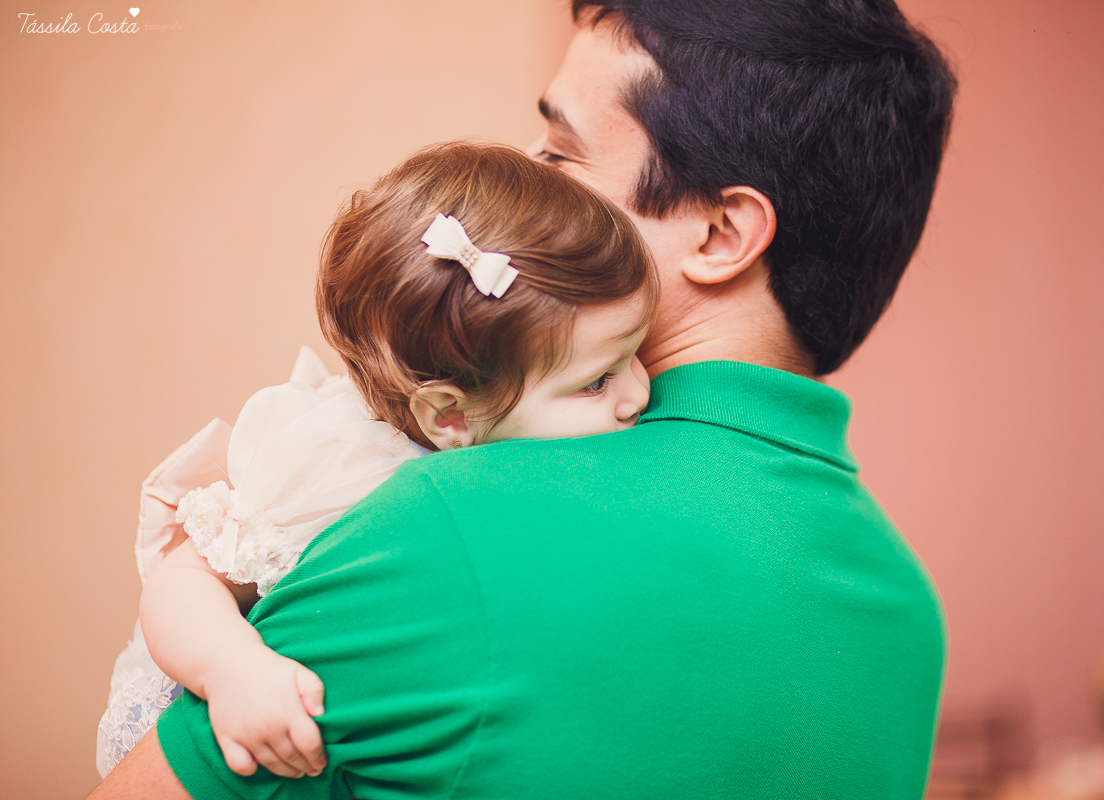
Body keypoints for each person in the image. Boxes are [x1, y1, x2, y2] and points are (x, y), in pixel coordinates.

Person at [90, 0, 956, 797]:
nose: (529, 189)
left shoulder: (447, 515)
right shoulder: (910, 619)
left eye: (559, 155)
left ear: (720, 234)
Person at [95, 141, 657, 779]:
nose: (639, 390)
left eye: (637, 352)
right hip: (238, 724)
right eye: (597, 381)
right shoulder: (336, 470)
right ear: (448, 416)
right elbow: (181, 580)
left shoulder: (509, 444)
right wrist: (231, 668)